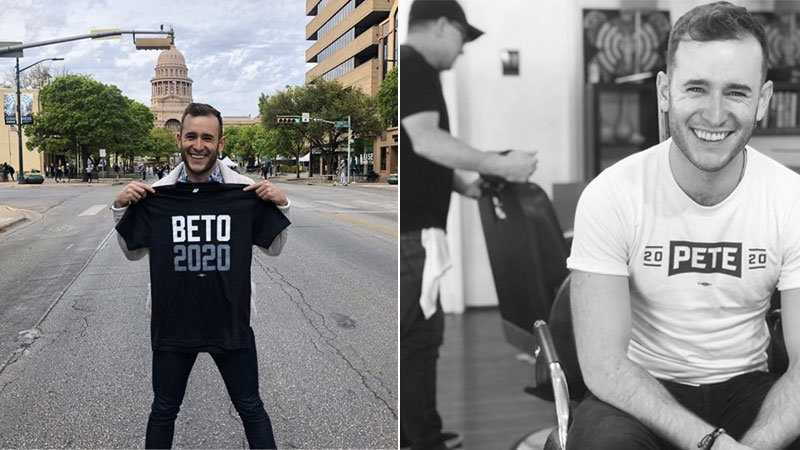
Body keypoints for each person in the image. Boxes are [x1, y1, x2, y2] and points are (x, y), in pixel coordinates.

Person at [567, 3, 800, 450]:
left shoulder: (790, 200)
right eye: (696, 88)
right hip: (641, 387)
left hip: (748, 386)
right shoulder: (612, 194)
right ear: (665, 91)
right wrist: (709, 442)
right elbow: (606, 367)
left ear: (764, 101)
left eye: (736, 92)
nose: (714, 115)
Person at [111, 103, 291, 449]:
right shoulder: (157, 194)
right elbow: (133, 252)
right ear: (179, 139)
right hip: (173, 322)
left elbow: (274, 247)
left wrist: (281, 205)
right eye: (191, 136)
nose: (198, 145)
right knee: (163, 411)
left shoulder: (244, 192)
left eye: (207, 138)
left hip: (230, 320)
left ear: (219, 144)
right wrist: (120, 208)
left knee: (251, 408)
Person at [400, 1, 538, 449]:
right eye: (462, 39)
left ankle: (424, 433)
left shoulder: (418, 70)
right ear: (443, 26)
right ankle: (418, 439)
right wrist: (499, 162)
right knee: (416, 340)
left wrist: (469, 184)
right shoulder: (414, 67)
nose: (461, 52)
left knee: (424, 339)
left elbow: (424, 155)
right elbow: (426, 140)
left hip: (422, 235)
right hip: (411, 238)